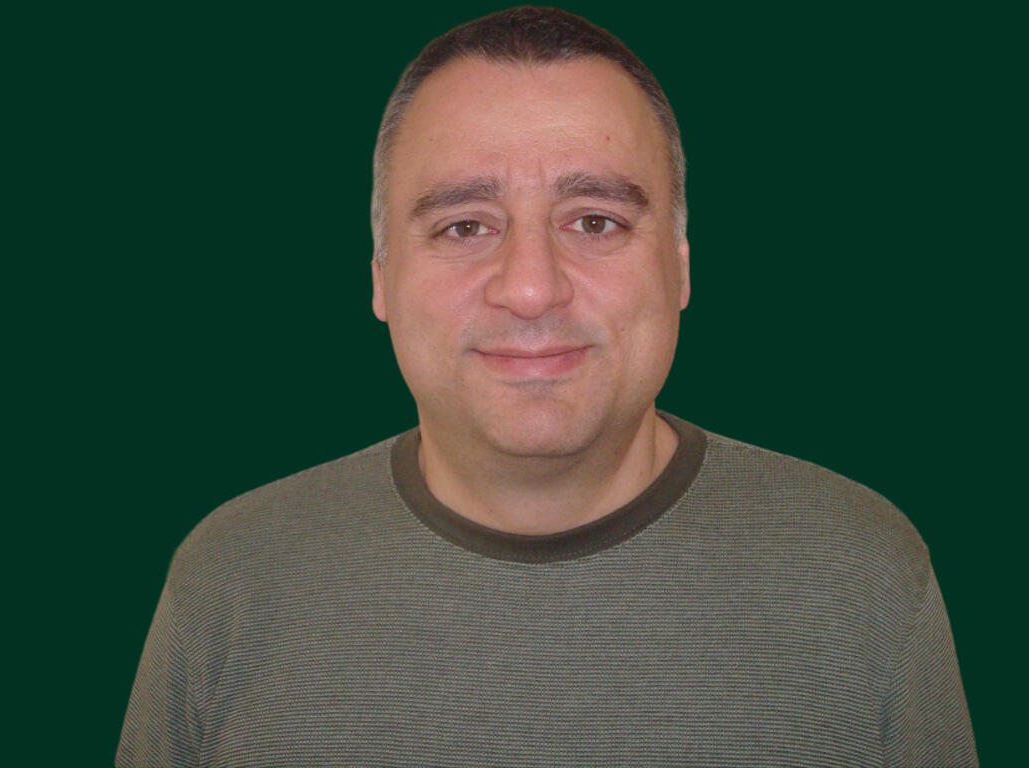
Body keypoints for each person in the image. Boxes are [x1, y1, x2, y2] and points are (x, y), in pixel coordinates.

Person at [117, 7, 976, 767]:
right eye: (465, 226)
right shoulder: (230, 582)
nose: (531, 287)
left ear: (679, 266)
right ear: (381, 276)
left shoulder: (862, 574)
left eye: (595, 221)